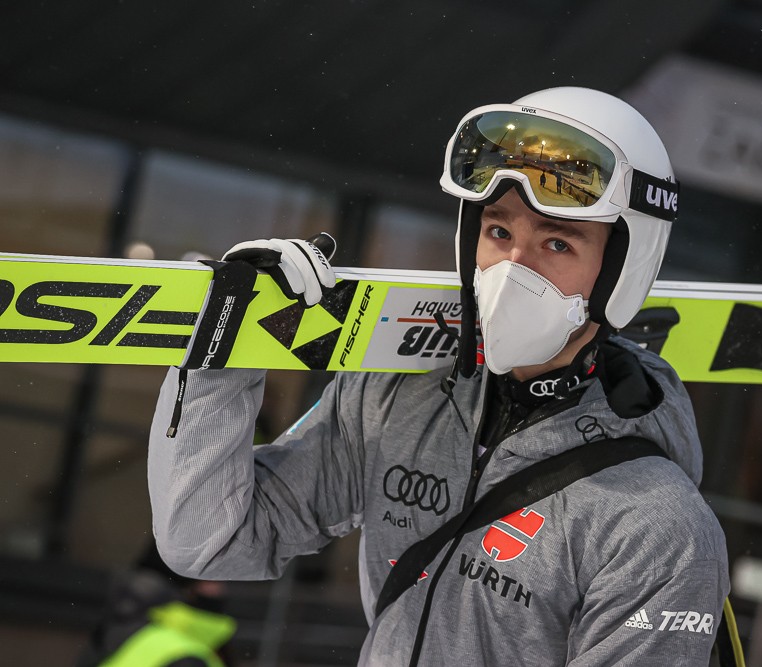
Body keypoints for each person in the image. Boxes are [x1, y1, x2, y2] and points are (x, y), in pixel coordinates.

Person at [148, 86, 729, 665]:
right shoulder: (396, 397)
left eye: (557, 243)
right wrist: (227, 349)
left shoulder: (658, 528)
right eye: (498, 232)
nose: (513, 269)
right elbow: (211, 544)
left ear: (623, 271)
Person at [77, 542, 237, 667]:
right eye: (214, 576)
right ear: (188, 587)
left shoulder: (121, 634)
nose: (223, 586)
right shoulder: (184, 655)